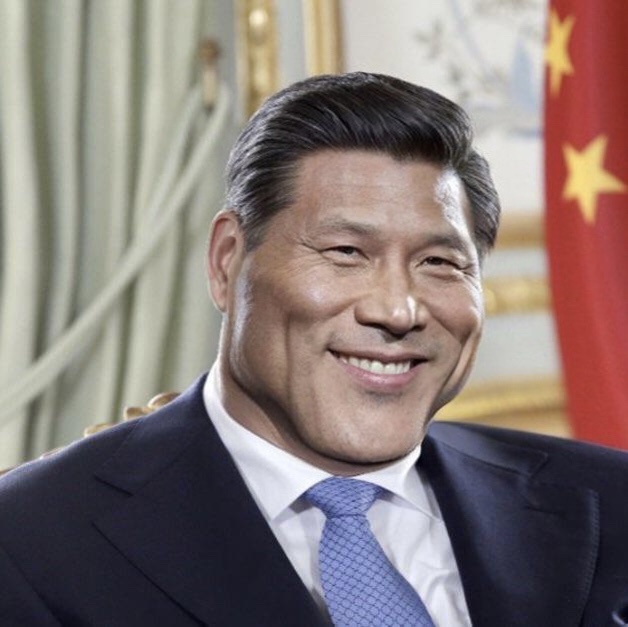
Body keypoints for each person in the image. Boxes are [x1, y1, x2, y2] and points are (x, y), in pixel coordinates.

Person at [1, 72, 627, 627]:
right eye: (346, 253)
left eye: (439, 262)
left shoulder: (610, 504)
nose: (398, 311)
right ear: (227, 262)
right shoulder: (31, 542)